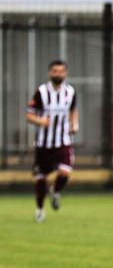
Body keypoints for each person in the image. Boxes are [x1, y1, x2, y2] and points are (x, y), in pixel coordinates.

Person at [26, 60, 79, 223]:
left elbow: (73, 110)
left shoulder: (70, 92)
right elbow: (29, 115)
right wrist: (41, 121)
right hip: (44, 143)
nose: (58, 74)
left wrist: (75, 124)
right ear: (50, 73)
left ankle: (55, 191)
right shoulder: (41, 92)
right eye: (55, 71)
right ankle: (40, 210)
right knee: (41, 178)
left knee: (65, 172)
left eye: (61, 71)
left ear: (65, 73)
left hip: (63, 140)